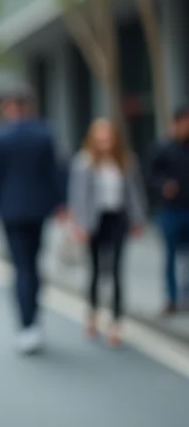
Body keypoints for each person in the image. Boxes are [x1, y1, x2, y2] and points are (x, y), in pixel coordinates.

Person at [0, 92, 65, 354]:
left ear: (9, 108)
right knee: (34, 263)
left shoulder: (0, 136)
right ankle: (34, 320)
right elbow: (55, 171)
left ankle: (26, 324)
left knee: (21, 268)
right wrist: (61, 204)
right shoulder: (44, 133)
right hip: (39, 209)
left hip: (10, 210)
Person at [67, 118, 146, 346]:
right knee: (95, 270)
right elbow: (77, 196)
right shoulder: (83, 162)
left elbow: (134, 192)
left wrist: (138, 219)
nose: (105, 143)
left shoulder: (126, 161)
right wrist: (78, 225)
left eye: (108, 138)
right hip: (94, 221)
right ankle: (92, 313)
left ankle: (116, 323)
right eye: (100, 138)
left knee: (117, 270)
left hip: (117, 218)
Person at [149, 104, 189, 313]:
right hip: (170, 210)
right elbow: (150, 177)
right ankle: (172, 299)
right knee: (171, 255)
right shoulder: (163, 147)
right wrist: (163, 186)